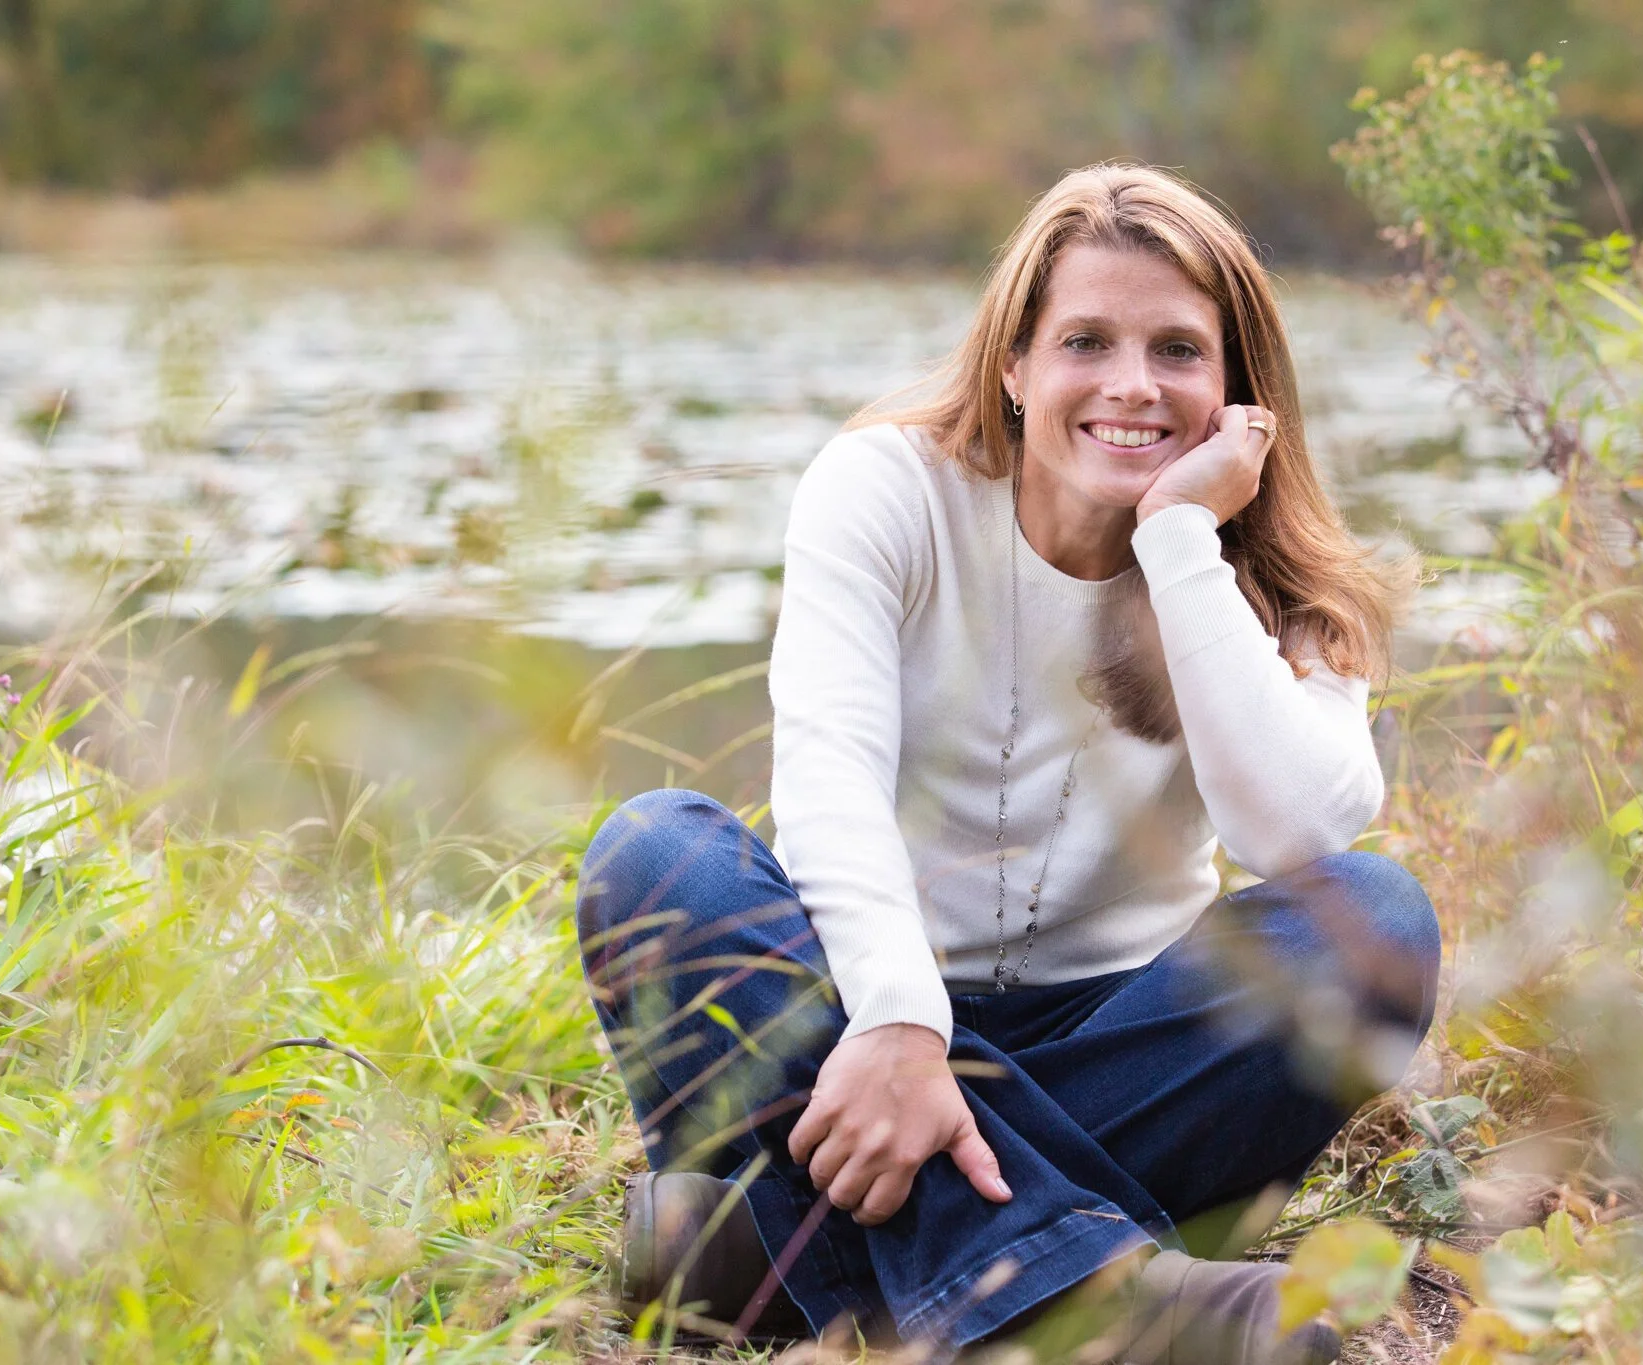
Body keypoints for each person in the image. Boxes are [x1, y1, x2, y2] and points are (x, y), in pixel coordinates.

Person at [576, 163, 1441, 1365]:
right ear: (1014, 368)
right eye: (1085, 340)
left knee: (1376, 922)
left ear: (1239, 396)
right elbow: (826, 773)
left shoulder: (1284, 582)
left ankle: (765, 1257)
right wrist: (896, 1023)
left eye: (1178, 351)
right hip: (852, 1020)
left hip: (1122, 1039)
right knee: (656, 852)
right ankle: (1099, 1299)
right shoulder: (887, 491)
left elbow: (1288, 839)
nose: (1132, 386)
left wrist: (1182, 539)